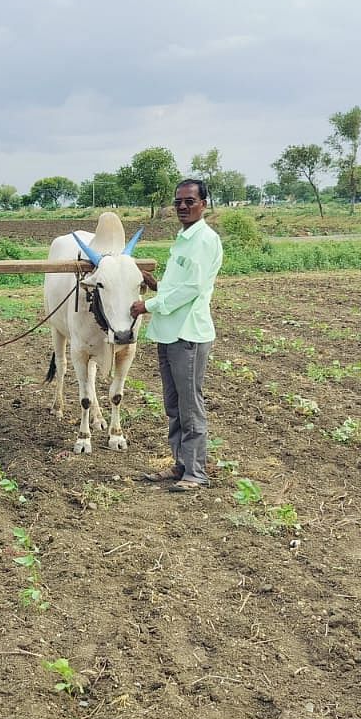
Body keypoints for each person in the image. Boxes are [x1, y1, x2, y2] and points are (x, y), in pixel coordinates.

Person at [129, 178, 223, 491]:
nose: (182, 206)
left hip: (189, 336)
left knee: (190, 404)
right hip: (168, 334)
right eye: (178, 201)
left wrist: (148, 305)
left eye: (190, 201)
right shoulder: (184, 238)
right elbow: (179, 284)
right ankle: (181, 464)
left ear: (204, 204)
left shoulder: (204, 240)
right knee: (174, 404)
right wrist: (156, 284)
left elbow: (192, 288)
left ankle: (196, 473)